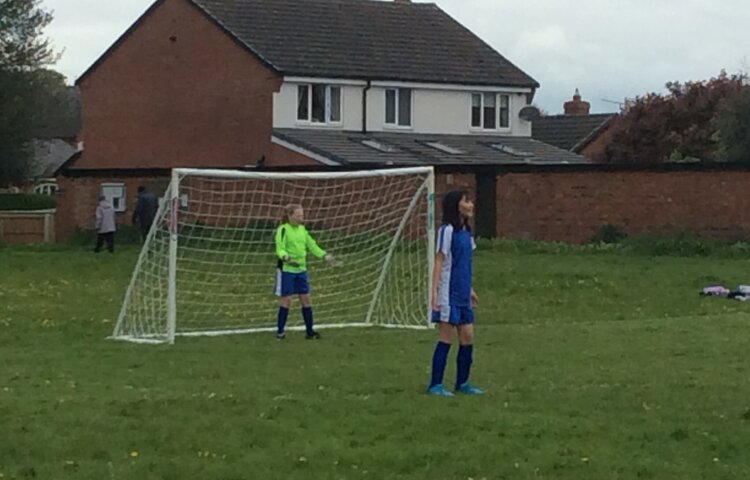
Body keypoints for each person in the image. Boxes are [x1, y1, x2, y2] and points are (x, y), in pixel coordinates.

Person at [426, 190, 483, 396]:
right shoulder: (447, 230)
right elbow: (440, 261)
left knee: (467, 336)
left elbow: (462, 264)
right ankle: (435, 384)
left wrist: (469, 289)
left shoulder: (467, 233)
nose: (470, 204)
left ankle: (462, 383)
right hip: (447, 293)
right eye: (466, 201)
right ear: (456, 206)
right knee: (446, 337)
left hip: (462, 293)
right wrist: (433, 293)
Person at [273, 204, 335, 340]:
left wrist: (324, 255)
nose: (301, 218)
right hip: (287, 270)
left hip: (301, 270)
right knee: (286, 300)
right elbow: (280, 248)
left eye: (302, 215)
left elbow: (312, 245)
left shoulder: (302, 230)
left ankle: (309, 331)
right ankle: (280, 332)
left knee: (306, 299)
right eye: (298, 215)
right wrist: (285, 257)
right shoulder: (283, 230)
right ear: (290, 216)